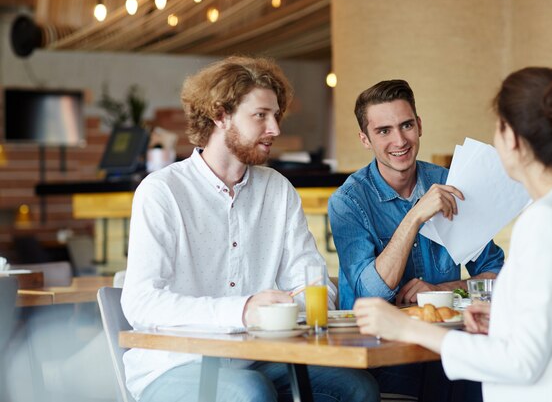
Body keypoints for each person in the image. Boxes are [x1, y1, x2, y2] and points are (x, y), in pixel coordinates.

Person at [355, 67, 552, 402]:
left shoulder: (544, 221)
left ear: (510, 137)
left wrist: (408, 329)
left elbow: (520, 361)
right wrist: (505, 315)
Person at [121, 56, 379, 402]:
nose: (274, 129)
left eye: (276, 116)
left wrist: (292, 308)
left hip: (258, 357)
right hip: (174, 364)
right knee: (250, 392)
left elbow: (312, 283)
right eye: (261, 116)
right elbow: (141, 302)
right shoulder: (162, 192)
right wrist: (243, 311)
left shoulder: (277, 190)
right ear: (220, 115)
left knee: (357, 388)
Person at [328, 79, 504, 400]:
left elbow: (496, 276)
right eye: (384, 131)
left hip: (448, 354)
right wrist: (415, 216)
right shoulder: (349, 202)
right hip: (384, 359)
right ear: (365, 139)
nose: (399, 140)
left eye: (406, 125)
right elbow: (372, 293)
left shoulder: (451, 184)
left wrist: (440, 291)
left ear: (419, 125)